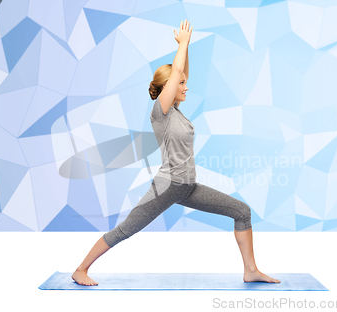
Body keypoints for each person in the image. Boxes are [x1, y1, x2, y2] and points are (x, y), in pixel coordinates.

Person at [72, 19, 280, 286]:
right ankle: (81, 269)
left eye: (184, 83)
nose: (186, 86)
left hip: (187, 186)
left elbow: (183, 72)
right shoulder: (161, 113)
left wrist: (186, 49)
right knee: (126, 230)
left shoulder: (177, 114)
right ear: (168, 87)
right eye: (180, 84)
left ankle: (250, 270)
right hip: (167, 186)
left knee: (241, 211)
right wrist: (183, 45)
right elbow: (178, 71)